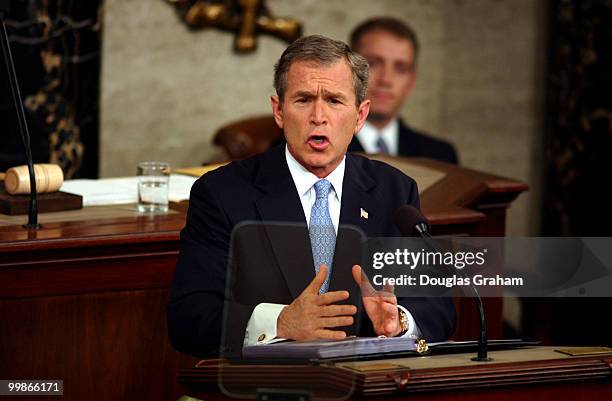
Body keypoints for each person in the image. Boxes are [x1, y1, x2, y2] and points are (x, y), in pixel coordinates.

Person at [167, 35, 456, 358]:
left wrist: (399, 323)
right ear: (279, 111)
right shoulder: (222, 193)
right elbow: (189, 318)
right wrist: (280, 322)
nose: (318, 116)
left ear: (360, 116)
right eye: (303, 100)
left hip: (364, 383)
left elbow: (438, 308)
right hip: (268, 386)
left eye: (334, 100)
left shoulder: (394, 191)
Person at [348, 17, 459, 164]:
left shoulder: (440, 155)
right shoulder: (322, 147)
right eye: (373, 64)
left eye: (401, 69)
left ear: (411, 80)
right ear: (349, 70)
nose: (386, 80)